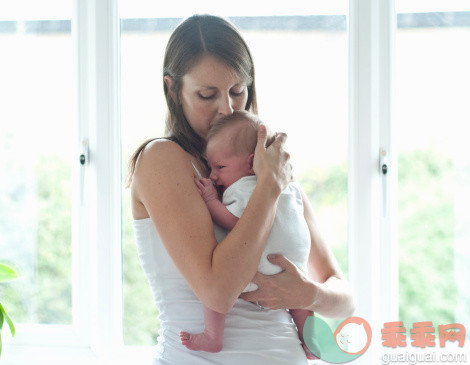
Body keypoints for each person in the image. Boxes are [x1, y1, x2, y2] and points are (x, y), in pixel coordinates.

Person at [128, 14, 355, 365]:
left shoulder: (267, 170)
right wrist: (268, 186)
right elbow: (218, 293)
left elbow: (343, 295)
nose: (227, 109)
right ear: (172, 89)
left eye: (238, 91)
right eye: (207, 95)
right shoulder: (164, 159)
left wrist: (308, 293)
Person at [180, 110, 316, 359]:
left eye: (220, 167)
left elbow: (234, 222)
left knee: (211, 286)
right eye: (210, 166)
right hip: (294, 264)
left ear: (253, 164)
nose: (213, 175)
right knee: (300, 303)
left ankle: (212, 336)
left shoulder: (244, 187)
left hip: (262, 263)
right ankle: (309, 341)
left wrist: (211, 199)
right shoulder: (288, 184)